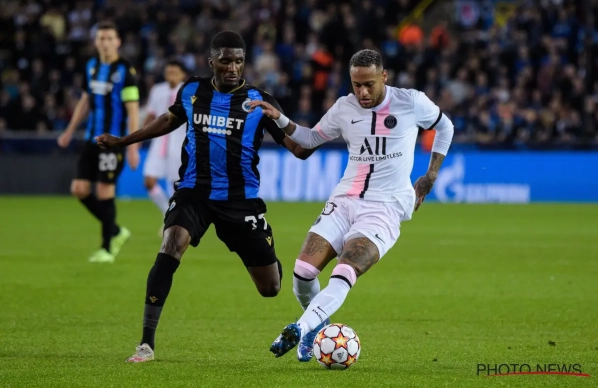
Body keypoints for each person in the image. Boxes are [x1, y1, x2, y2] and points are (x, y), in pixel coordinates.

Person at [94, 31, 317, 363]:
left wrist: (299, 126)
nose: (232, 67)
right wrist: (124, 141)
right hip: (193, 192)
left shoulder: (259, 101)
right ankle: (146, 344)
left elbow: (299, 150)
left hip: (240, 201)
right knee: (170, 246)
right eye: (225, 60)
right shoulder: (192, 91)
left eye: (238, 61)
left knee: (270, 288)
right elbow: (168, 120)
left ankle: (268, 254)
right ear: (211, 61)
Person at [248, 49, 455, 362]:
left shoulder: (411, 101)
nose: (363, 92)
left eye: (369, 84)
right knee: (302, 273)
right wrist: (280, 119)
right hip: (344, 200)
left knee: (344, 272)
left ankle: (301, 329)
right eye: (357, 85)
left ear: (384, 76)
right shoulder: (344, 107)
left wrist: (430, 177)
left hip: (385, 208)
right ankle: (318, 327)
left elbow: (445, 127)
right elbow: (310, 139)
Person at [57, 21, 140, 263]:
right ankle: (116, 231)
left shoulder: (125, 70)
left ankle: (107, 249)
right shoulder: (91, 66)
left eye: (109, 38)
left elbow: (133, 110)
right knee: (79, 189)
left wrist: (132, 146)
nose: (105, 42)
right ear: (96, 42)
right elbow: (85, 101)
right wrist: (69, 131)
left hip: (112, 142)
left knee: (104, 191)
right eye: (101, 38)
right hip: (90, 139)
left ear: (118, 42)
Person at [142, 60, 188, 232]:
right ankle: (166, 211)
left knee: (176, 184)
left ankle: (176, 220)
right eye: (168, 72)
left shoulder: (189, 91)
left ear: (182, 74)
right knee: (149, 181)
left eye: (174, 72)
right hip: (159, 142)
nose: (171, 75)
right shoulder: (157, 90)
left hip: (179, 142)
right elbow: (151, 114)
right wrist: (140, 137)